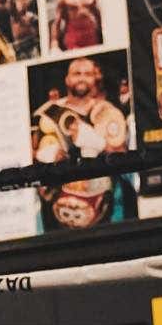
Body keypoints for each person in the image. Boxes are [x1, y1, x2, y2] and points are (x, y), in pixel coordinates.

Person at [31, 55, 130, 231]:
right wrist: (47, 156)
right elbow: (32, 154)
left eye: (87, 73)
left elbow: (122, 154)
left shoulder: (107, 111)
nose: (82, 78)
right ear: (67, 79)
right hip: (57, 207)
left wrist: (98, 143)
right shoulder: (48, 112)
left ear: (96, 78)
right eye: (77, 73)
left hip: (101, 206)